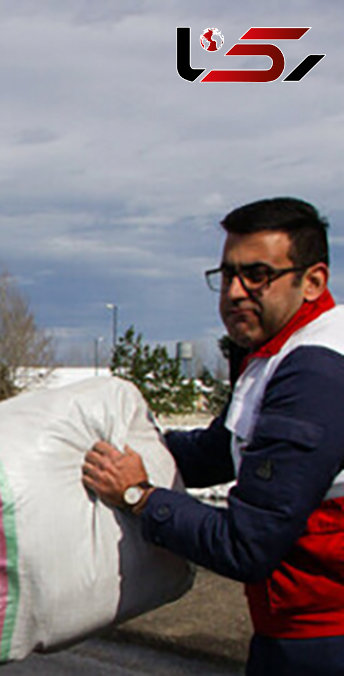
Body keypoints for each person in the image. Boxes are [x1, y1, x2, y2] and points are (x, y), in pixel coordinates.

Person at [81, 197, 344, 674]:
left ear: (313, 282)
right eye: (227, 276)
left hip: (323, 639)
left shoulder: (315, 371)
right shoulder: (275, 354)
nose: (236, 291)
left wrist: (139, 495)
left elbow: (247, 544)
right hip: (295, 627)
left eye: (257, 275)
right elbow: (218, 451)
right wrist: (125, 438)